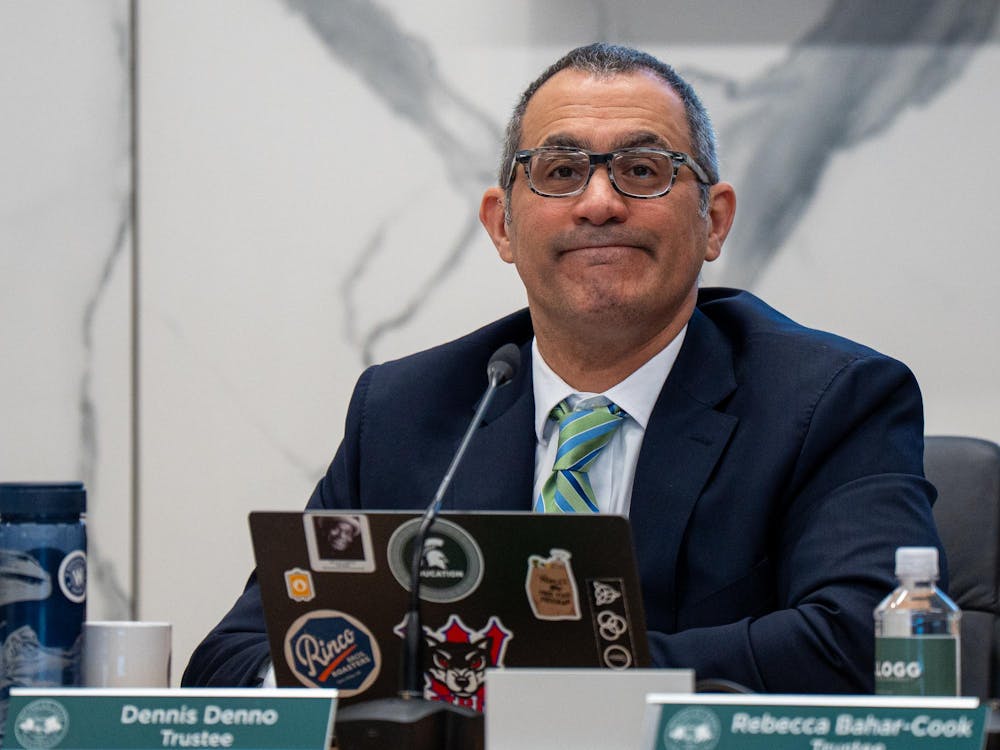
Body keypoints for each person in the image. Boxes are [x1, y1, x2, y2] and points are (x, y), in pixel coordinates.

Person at [182, 43, 944, 694]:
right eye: (560, 170)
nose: (600, 202)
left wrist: (528, 678)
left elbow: (871, 648)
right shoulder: (408, 411)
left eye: (644, 170)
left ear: (712, 221)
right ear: (503, 224)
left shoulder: (831, 402)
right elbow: (236, 659)